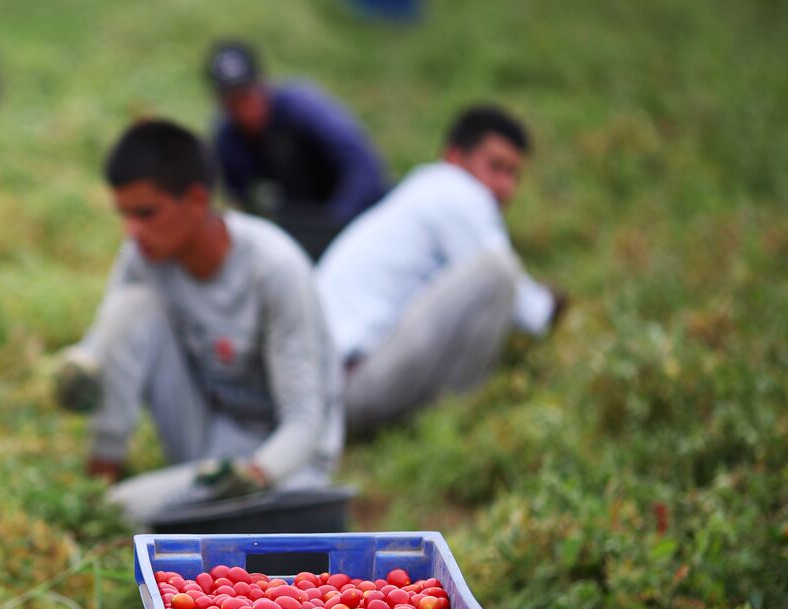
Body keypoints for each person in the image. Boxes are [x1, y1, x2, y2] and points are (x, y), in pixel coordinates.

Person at [54, 119, 344, 524]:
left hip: (285, 465)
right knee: (130, 306)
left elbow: (305, 420)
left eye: (146, 213)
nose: (132, 231)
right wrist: (80, 370)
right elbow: (105, 337)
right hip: (207, 441)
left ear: (195, 199)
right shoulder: (144, 255)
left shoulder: (274, 268)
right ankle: (99, 480)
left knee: (125, 511)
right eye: (124, 215)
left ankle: (135, 509)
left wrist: (257, 473)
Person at [313, 104, 566, 436]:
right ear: (455, 158)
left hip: (326, 390)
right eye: (496, 167)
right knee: (497, 272)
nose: (507, 188)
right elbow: (531, 314)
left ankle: (439, 422)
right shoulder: (456, 191)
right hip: (352, 388)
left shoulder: (423, 191)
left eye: (513, 174)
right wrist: (555, 304)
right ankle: (452, 423)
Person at [207, 40, 388, 261]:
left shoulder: (301, 108)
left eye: (247, 97)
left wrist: (335, 222)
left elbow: (363, 165)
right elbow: (242, 203)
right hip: (303, 226)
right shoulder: (229, 139)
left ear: (263, 85)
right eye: (233, 102)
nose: (244, 111)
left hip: (358, 214)